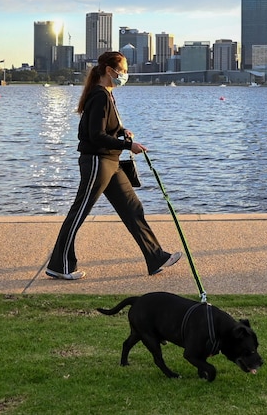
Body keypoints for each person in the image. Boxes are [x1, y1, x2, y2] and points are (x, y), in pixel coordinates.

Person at [45, 51, 181, 280]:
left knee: (132, 208)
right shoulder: (99, 96)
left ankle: (155, 256)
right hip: (98, 162)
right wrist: (129, 146)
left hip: (111, 162)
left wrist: (122, 132)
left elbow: (107, 127)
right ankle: (60, 266)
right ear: (110, 71)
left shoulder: (107, 95)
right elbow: (94, 135)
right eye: (124, 70)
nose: (125, 75)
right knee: (78, 213)